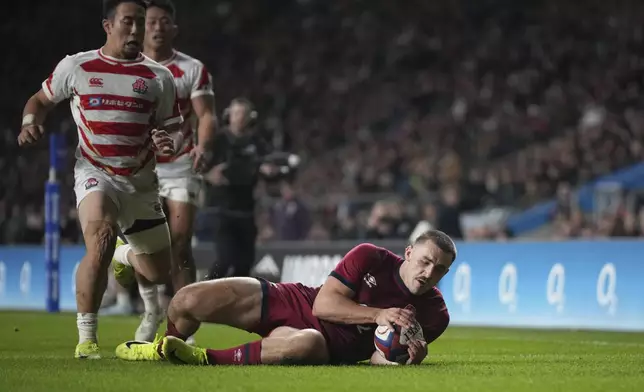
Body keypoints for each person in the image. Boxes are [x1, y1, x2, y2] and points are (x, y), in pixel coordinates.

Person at [17, 0, 182, 359]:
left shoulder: (159, 77)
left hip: (140, 182)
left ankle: (125, 255)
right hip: (95, 173)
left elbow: (173, 127)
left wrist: (169, 140)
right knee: (101, 237)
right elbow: (39, 100)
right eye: (129, 22)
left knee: (157, 274)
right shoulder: (77, 66)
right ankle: (87, 340)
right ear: (108, 25)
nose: (136, 30)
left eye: (141, 23)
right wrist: (31, 123)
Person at [115, 229, 455, 365]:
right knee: (186, 300)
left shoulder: (435, 314)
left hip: (321, 342)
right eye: (424, 261)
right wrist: (378, 314)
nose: (428, 273)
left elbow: (379, 358)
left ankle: (201, 357)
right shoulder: (371, 256)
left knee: (304, 343)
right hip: (294, 300)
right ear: (409, 253)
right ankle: (166, 347)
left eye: (439, 269)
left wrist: (407, 358)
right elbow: (324, 304)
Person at [119, 0, 217, 343]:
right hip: (140, 168)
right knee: (147, 245)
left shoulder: (192, 69)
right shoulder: (125, 68)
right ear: (142, 27)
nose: (157, 27)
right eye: (152, 22)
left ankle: (183, 323)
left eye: (164, 22)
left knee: (180, 242)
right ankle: (151, 311)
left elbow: (206, 115)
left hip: (181, 166)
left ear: (174, 28)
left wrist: (203, 146)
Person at [201, 98, 285, 280]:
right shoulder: (218, 140)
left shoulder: (256, 141)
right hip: (222, 211)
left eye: (243, 114)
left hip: (247, 212)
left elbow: (269, 165)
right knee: (225, 260)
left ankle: (236, 305)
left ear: (249, 118)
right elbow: (197, 168)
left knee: (244, 264)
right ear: (228, 115)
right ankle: (205, 291)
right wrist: (208, 176)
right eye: (236, 113)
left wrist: (269, 170)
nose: (239, 118)